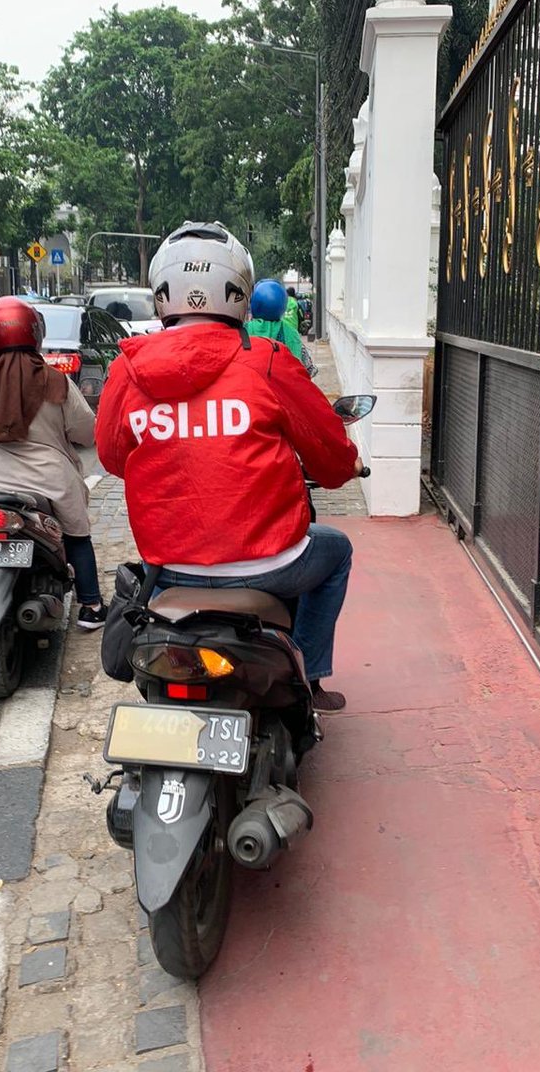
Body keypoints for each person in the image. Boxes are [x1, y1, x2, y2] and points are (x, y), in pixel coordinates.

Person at [94, 221, 362, 712]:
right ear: (238, 292)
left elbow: (111, 458)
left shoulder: (127, 369)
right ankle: (310, 674)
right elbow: (331, 461)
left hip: (172, 571)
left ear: (161, 295)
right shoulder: (268, 359)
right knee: (337, 551)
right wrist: (345, 463)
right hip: (272, 567)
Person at [0, 297, 107, 631]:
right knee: (77, 536)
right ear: (35, 333)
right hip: (48, 483)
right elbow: (88, 432)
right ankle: (91, 606)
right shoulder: (56, 382)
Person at [246, 279, 317, 378]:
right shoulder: (291, 333)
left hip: (252, 388)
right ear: (283, 305)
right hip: (283, 390)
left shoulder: (243, 329)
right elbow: (308, 371)